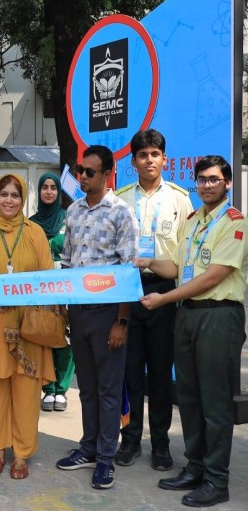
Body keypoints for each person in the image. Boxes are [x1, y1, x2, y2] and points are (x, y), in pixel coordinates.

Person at [137, 155, 247, 508]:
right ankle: (195, 467)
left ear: (228, 183)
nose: (207, 185)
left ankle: (216, 480)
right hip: (187, 314)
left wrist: (164, 298)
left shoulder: (234, 222)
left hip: (218, 316)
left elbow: (212, 277)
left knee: (215, 402)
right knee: (189, 397)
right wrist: (149, 262)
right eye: (201, 180)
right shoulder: (194, 220)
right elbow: (177, 267)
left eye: (214, 179)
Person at [55, 145, 138, 491]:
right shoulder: (73, 211)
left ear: (107, 174)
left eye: (90, 172)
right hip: (79, 312)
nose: (83, 177)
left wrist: (121, 321)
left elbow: (129, 272)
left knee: (107, 390)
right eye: (80, 170)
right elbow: (67, 262)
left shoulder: (121, 213)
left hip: (108, 314)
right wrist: (64, 306)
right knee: (86, 387)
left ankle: (105, 458)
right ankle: (88, 448)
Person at [114, 129, 193, 471]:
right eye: (143, 155)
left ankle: (160, 444)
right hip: (129, 292)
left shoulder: (179, 199)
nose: (149, 160)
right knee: (130, 372)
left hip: (164, 291)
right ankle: (130, 440)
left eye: (155, 154)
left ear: (165, 159)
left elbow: (186, 254)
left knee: (160, 374)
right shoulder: (120, 200)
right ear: (133, 161)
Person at [0, 174, 55, 480]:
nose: (8, 200)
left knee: (26, 388)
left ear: (22, 200)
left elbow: (47, 276)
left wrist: (21, 294)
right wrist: (0, 293)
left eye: (15, 195)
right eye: (4, 194)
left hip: (28, 323)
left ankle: (20, 452)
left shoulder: (35, 233)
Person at [30, 173, 74, 414]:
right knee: (44, 334)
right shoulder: (31, 223)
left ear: (59, 192)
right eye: (44, 187)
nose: (48, 192)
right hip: (40, 289)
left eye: (53, 188)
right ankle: (47, 387)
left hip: (66, 286)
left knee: (65, 337)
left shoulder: (69, 218)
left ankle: (61, 389)